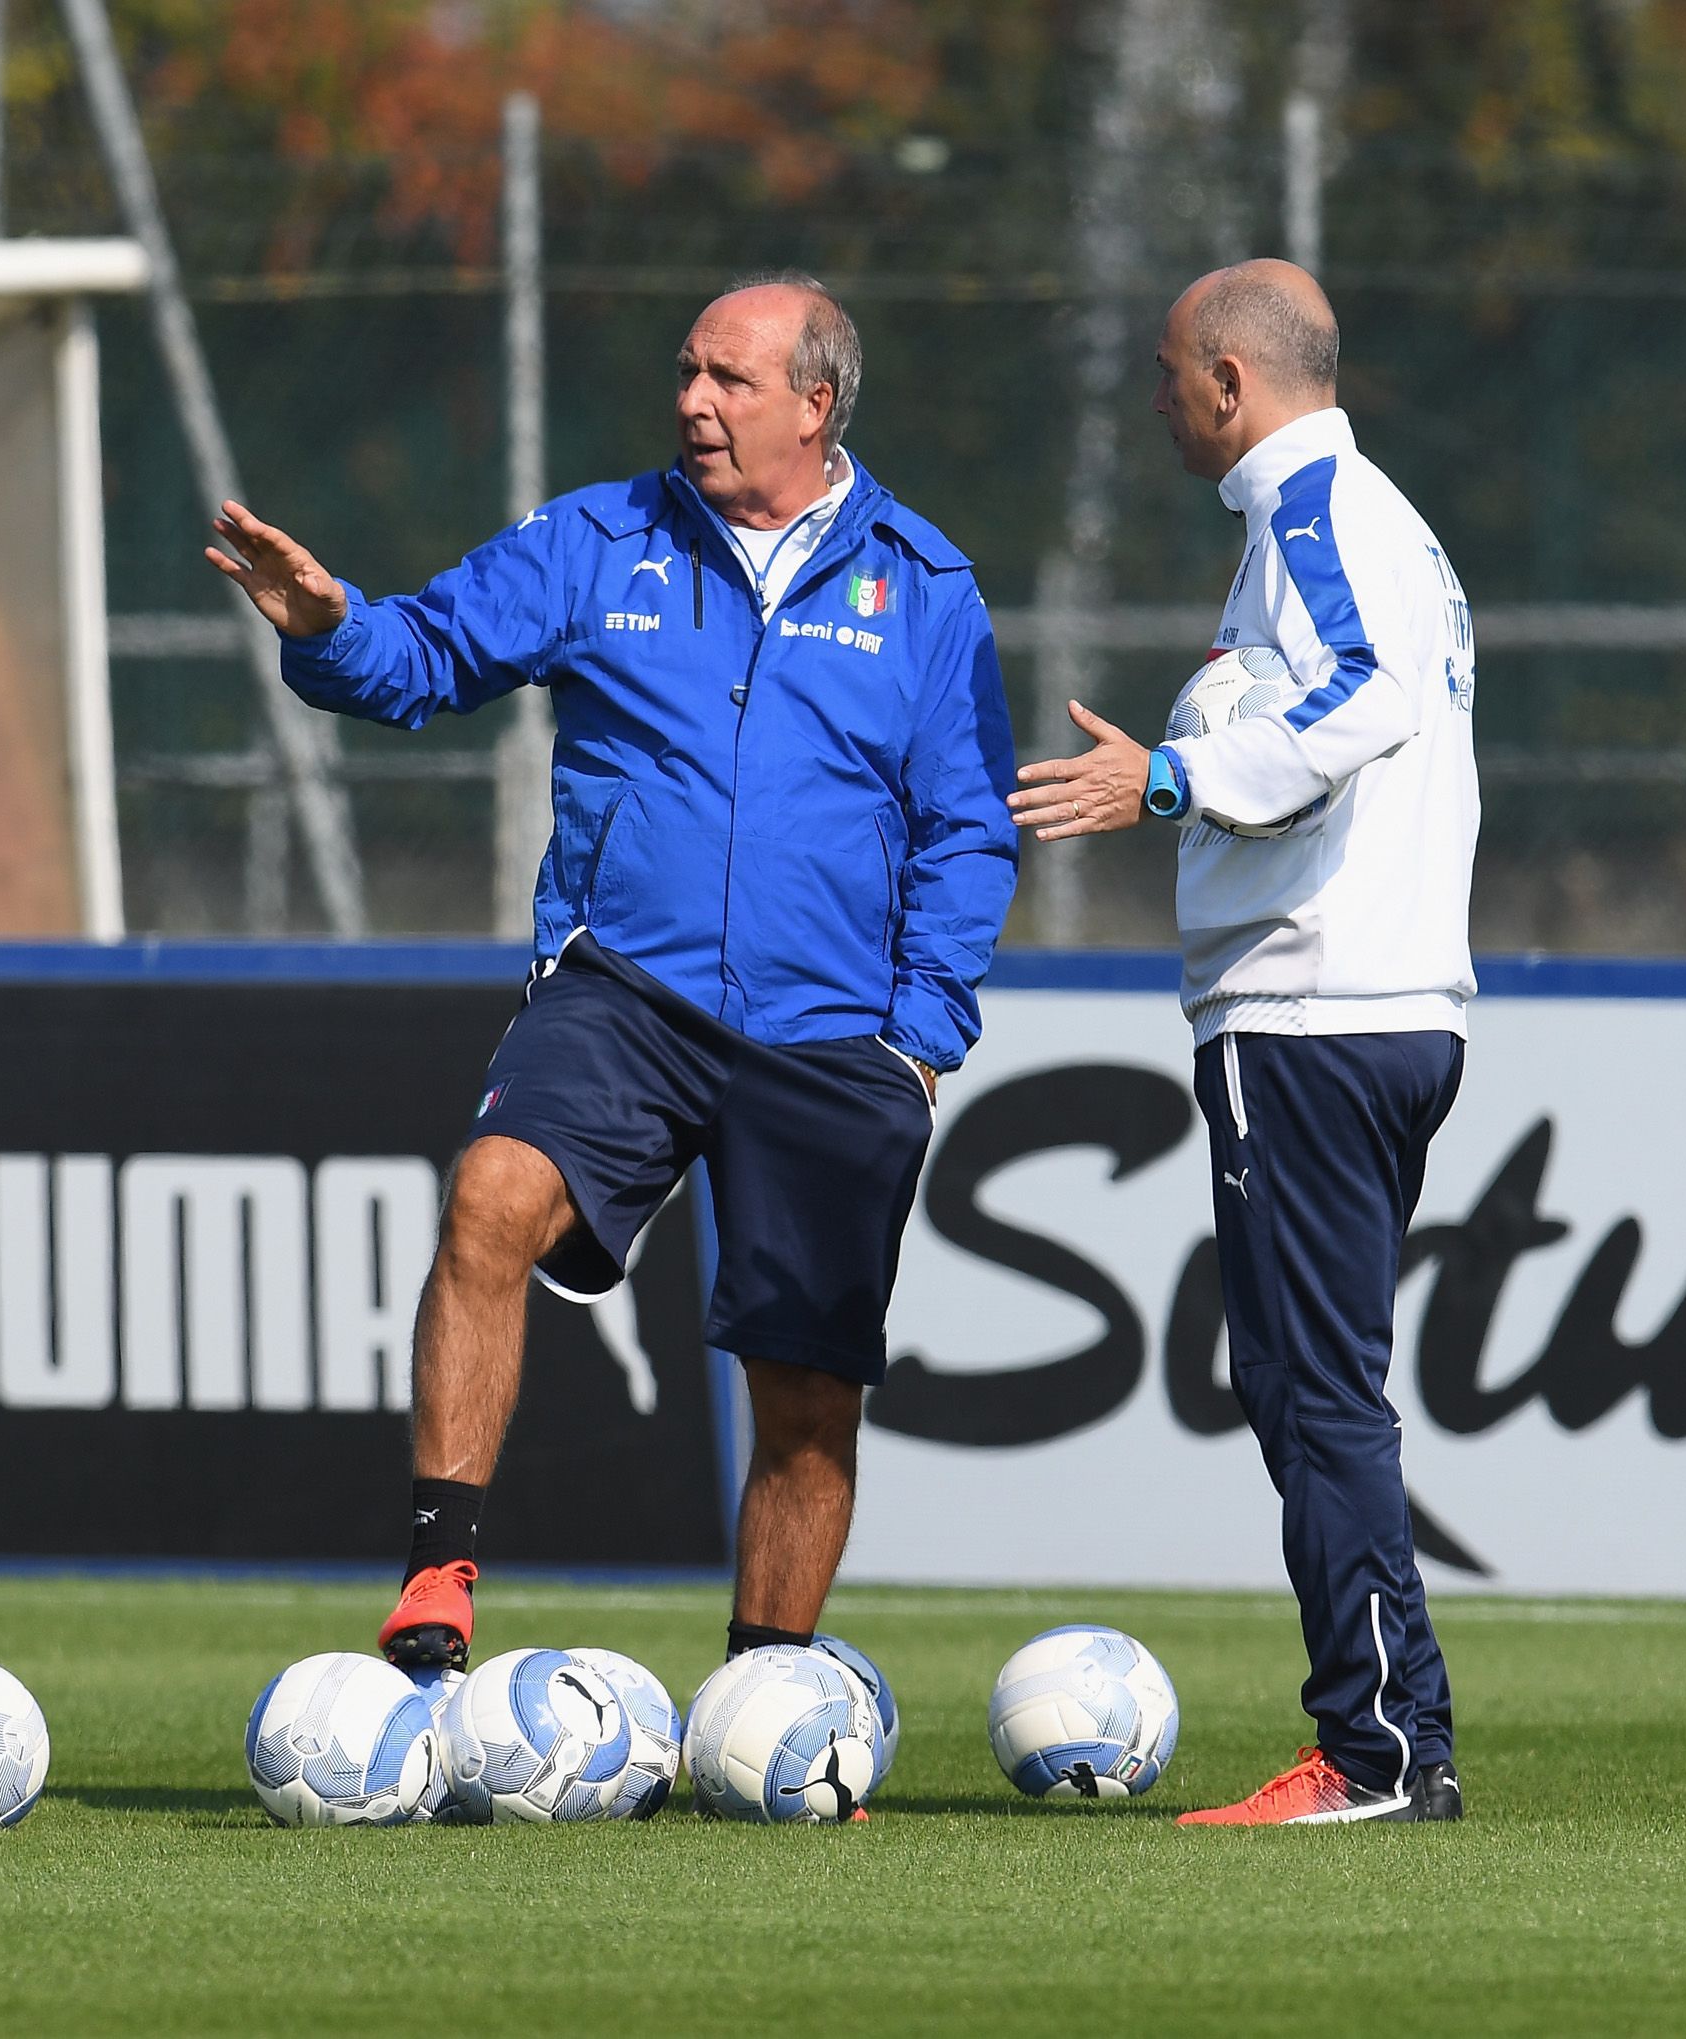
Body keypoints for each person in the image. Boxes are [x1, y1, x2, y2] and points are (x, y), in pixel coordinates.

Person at [207, 272, 1019, 1673]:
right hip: (625, 991)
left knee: (808, 1398)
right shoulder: (598, 539)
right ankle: (437, 1581)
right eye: (687, 374)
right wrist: (329, 626)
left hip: (834, 1035)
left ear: (816, 407)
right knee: (489, 1196)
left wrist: (921, 1039)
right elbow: (428, 657)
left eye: (732, 381)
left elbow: (969, 829)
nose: (694, 403)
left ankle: (766, 1691)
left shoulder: (927, 587)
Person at [1010, 259, 1477, 1825]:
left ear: (1229, 379)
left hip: (1318, 1012)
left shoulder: (1322, 514)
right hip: (1359, 1008)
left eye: (1166, 371)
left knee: (1317, 1388)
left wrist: (1173, 780)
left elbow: (1367, 700)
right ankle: (1396, 1735)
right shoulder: (1347, 522)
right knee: (1295, 1381)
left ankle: (1377, 1754)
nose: (1156, 399)